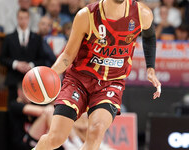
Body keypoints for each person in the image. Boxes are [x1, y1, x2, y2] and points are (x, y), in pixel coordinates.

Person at [34, 0, 161, 150]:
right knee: (55, 138)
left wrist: (151, 69)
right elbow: (68, 55)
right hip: (79, 80)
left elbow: (149, 36)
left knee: (97, 130)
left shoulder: (142, 14)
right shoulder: (86, 16)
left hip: (111, 83)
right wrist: (50, 74)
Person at [0, 8, 45, 105]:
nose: (23, 20)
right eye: (21, 18)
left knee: (32, 110)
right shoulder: (9, 38)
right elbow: (2, 58)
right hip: (13, 79)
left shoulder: (37, 38)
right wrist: (16, 64)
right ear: (17, 19)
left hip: (32, 81)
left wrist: (31, 65)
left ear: (29, 19)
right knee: (13, 109)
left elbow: (42, 59)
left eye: (25, 18)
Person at [9, 83, 55, 150]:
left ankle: (72, 142)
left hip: (35, 140)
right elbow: (46, 111)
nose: (30, 95)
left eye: (31, 92)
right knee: (50, 110)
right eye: (27, 92)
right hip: (23, 142)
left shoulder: (33, 103)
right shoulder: (14, 104)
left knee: (64, 117)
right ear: (19, 92)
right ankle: (64, 144)